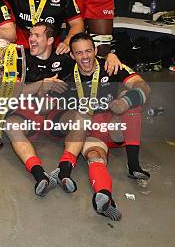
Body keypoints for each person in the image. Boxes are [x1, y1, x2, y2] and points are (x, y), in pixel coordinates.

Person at [4, 23, 123, 196]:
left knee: (82, 117)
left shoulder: (66, 60)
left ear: (51, 40)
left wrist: (112, 55)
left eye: (37, 36)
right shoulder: (19, 58)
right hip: (27, 113)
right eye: (31, 35)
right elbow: (8, 92)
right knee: (11, 127)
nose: (31, 39)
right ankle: (39, 174)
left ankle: (64, 170)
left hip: (55, 116)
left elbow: (89, 61)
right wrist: (39, 85)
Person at [60, 32, 151, 221]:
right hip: (90, 133)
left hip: (113, 127)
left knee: (133, 102)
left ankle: (134, 165)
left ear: (95, 50)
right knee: (95, 157)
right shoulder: (65, 74)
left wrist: (125, 101)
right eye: (79, 53)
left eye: (88, 51)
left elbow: (144, 87)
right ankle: (104, 196)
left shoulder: (111, 66)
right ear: (72, 55)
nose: (85, 57)